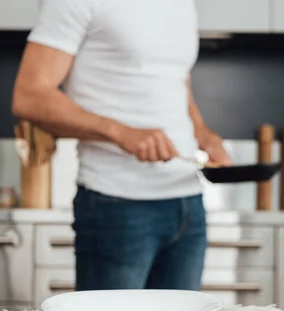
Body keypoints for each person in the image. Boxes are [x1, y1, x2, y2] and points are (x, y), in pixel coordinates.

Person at [12, 0, 231, 291]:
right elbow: (30, 96)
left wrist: (202, 132)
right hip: (116, 205)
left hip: (187, 201)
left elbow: (176, 78)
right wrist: (121, 133)